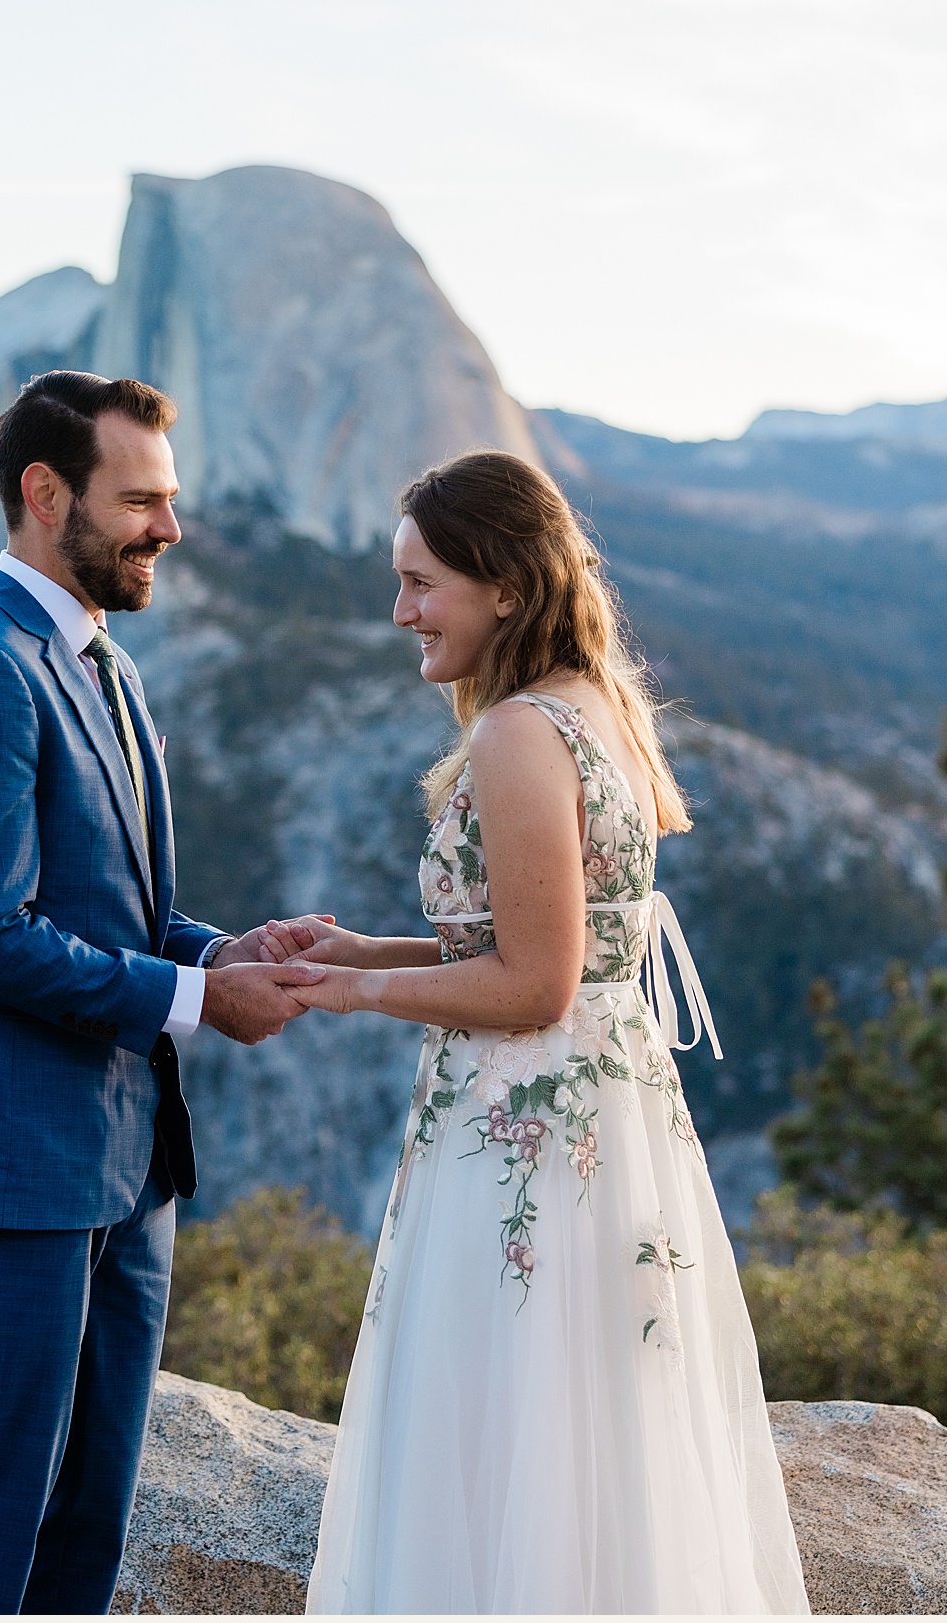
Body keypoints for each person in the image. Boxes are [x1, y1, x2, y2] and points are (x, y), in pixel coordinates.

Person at [268, 449, 813, 1614]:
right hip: (600, 1124)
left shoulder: (519, 732)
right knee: (589, 1434)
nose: (399, 608)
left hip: (521, 1131)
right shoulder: (594, 703)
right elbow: (557, 941)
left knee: (510, 1424)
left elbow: (533, 985)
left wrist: (353, 996)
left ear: (503, 584)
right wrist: (364, 949)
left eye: (422, 582)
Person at [0, 370, 326, 1615]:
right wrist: (194, 1004)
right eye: (140, 500)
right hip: (15, 1165)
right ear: (43, 493)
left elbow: (114, 915)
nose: (169, 529)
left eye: (168, 499)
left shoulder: (106, 665)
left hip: (132, 1170)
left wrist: (225, 951)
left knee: (90, 1520)